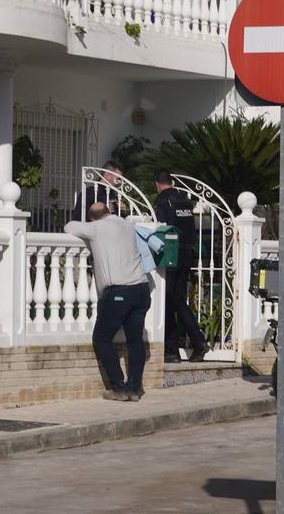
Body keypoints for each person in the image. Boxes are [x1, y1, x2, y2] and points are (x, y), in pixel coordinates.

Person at [64, 202, 151, 401]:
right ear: (109, 211)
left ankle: (119, 388)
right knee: (135, 340)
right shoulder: (128, 225)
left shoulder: (96, 228)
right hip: (141, 288)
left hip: (119, 291)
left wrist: (90, 226)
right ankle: (134, 388)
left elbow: (69, 227)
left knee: (101, 339)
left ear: (92, 218)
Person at [153, 169, 210, 363]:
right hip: (187, 254)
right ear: (172, 182)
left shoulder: (163, 200)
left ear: (157, 184)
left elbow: (160, 226)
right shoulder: (184, 200)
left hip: (171, 253)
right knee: (176, 300)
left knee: (168, 300)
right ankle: (196, 342)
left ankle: (172, 350)